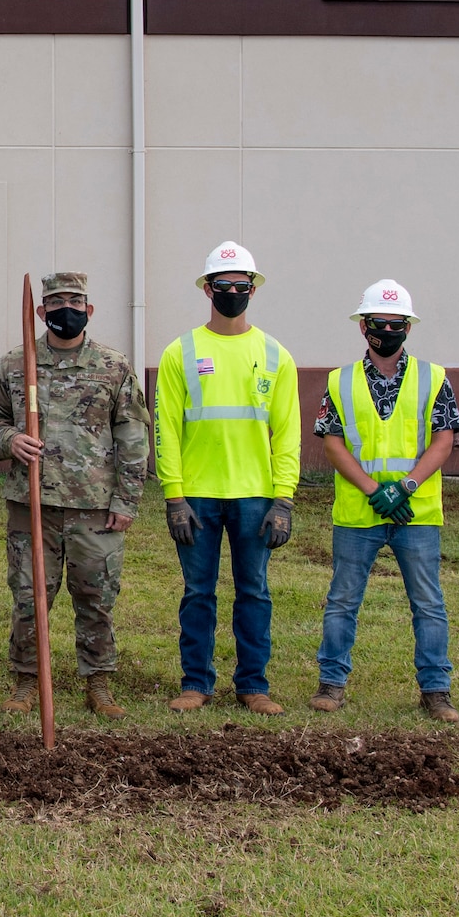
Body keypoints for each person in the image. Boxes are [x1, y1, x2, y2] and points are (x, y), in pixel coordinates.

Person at [0, 271, 150, 719]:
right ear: (41, 311)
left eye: (75, 303)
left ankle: (99, 684)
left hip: (94, 505)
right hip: (32, 505)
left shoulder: (113, 367)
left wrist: (126, 500)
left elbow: (132, 435)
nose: (65, 311)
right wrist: (10, 439)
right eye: (55, 304)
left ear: (89, 311)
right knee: (30, 595)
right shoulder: (17, 365)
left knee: (96, 597)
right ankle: (26, 682)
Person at [156, 241, 301, 716]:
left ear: (253, 291)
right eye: (225, 286)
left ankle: (253, 685)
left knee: (254, 591)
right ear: (208, 290)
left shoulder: (276, 355)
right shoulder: (181, 352)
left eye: (243, 285)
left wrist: (284, 500)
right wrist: (174, 495)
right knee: (198, 592)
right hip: (197, 494)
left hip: (256, 495)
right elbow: (166, 431)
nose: (234, 292)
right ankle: (196, 683)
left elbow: (288, 434)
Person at [310, 281, 459, 722]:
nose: (389, 330)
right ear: (364, 327)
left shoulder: (434, 378)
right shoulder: (339, 381)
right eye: (380, 323)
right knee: (342, 601)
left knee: (428, 604)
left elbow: (444, 439)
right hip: (360, 513)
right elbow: (333, 444)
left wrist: (406, 487)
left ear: (408, 328)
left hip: (416, 513)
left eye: (397, 324)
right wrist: (376, 491)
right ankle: (331, 683)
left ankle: (436, 690)